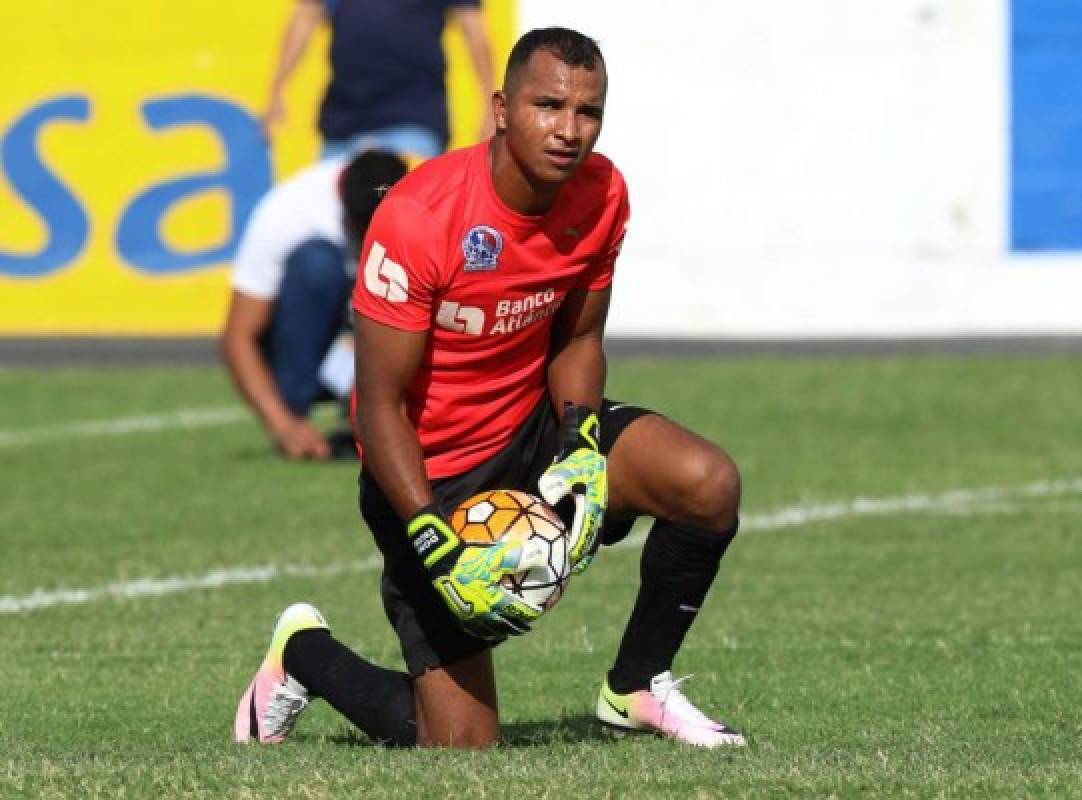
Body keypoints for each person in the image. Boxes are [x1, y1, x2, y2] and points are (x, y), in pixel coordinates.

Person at [234, 27, 746, 748]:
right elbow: (376, 407)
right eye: (548, 105)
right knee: (463, 749)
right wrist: (430, 534)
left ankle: (635, 685)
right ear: (502, 108)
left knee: (707, 483)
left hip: (534, 433)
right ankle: (305, 655)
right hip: (429, 473)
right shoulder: (418, 218)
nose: (569, 130)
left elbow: (577, 339)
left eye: (587, 112)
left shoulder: (603, 194)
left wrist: (582, 438)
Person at [220, 149, 408, 461]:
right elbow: (238, 336)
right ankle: (299, 406)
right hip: (316, 344)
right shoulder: (288, 212)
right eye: (365, 231)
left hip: (378, 337)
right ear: (346, 212)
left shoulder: (430, 206)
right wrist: (283, 425)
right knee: (317, 263)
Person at [261, 0, 495, 160]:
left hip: (413, 117)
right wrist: (276, 92)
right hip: (342, 121)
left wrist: (488, 108)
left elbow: (473, 29)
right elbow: (306, 16)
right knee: (334, 221)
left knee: (403, 216)